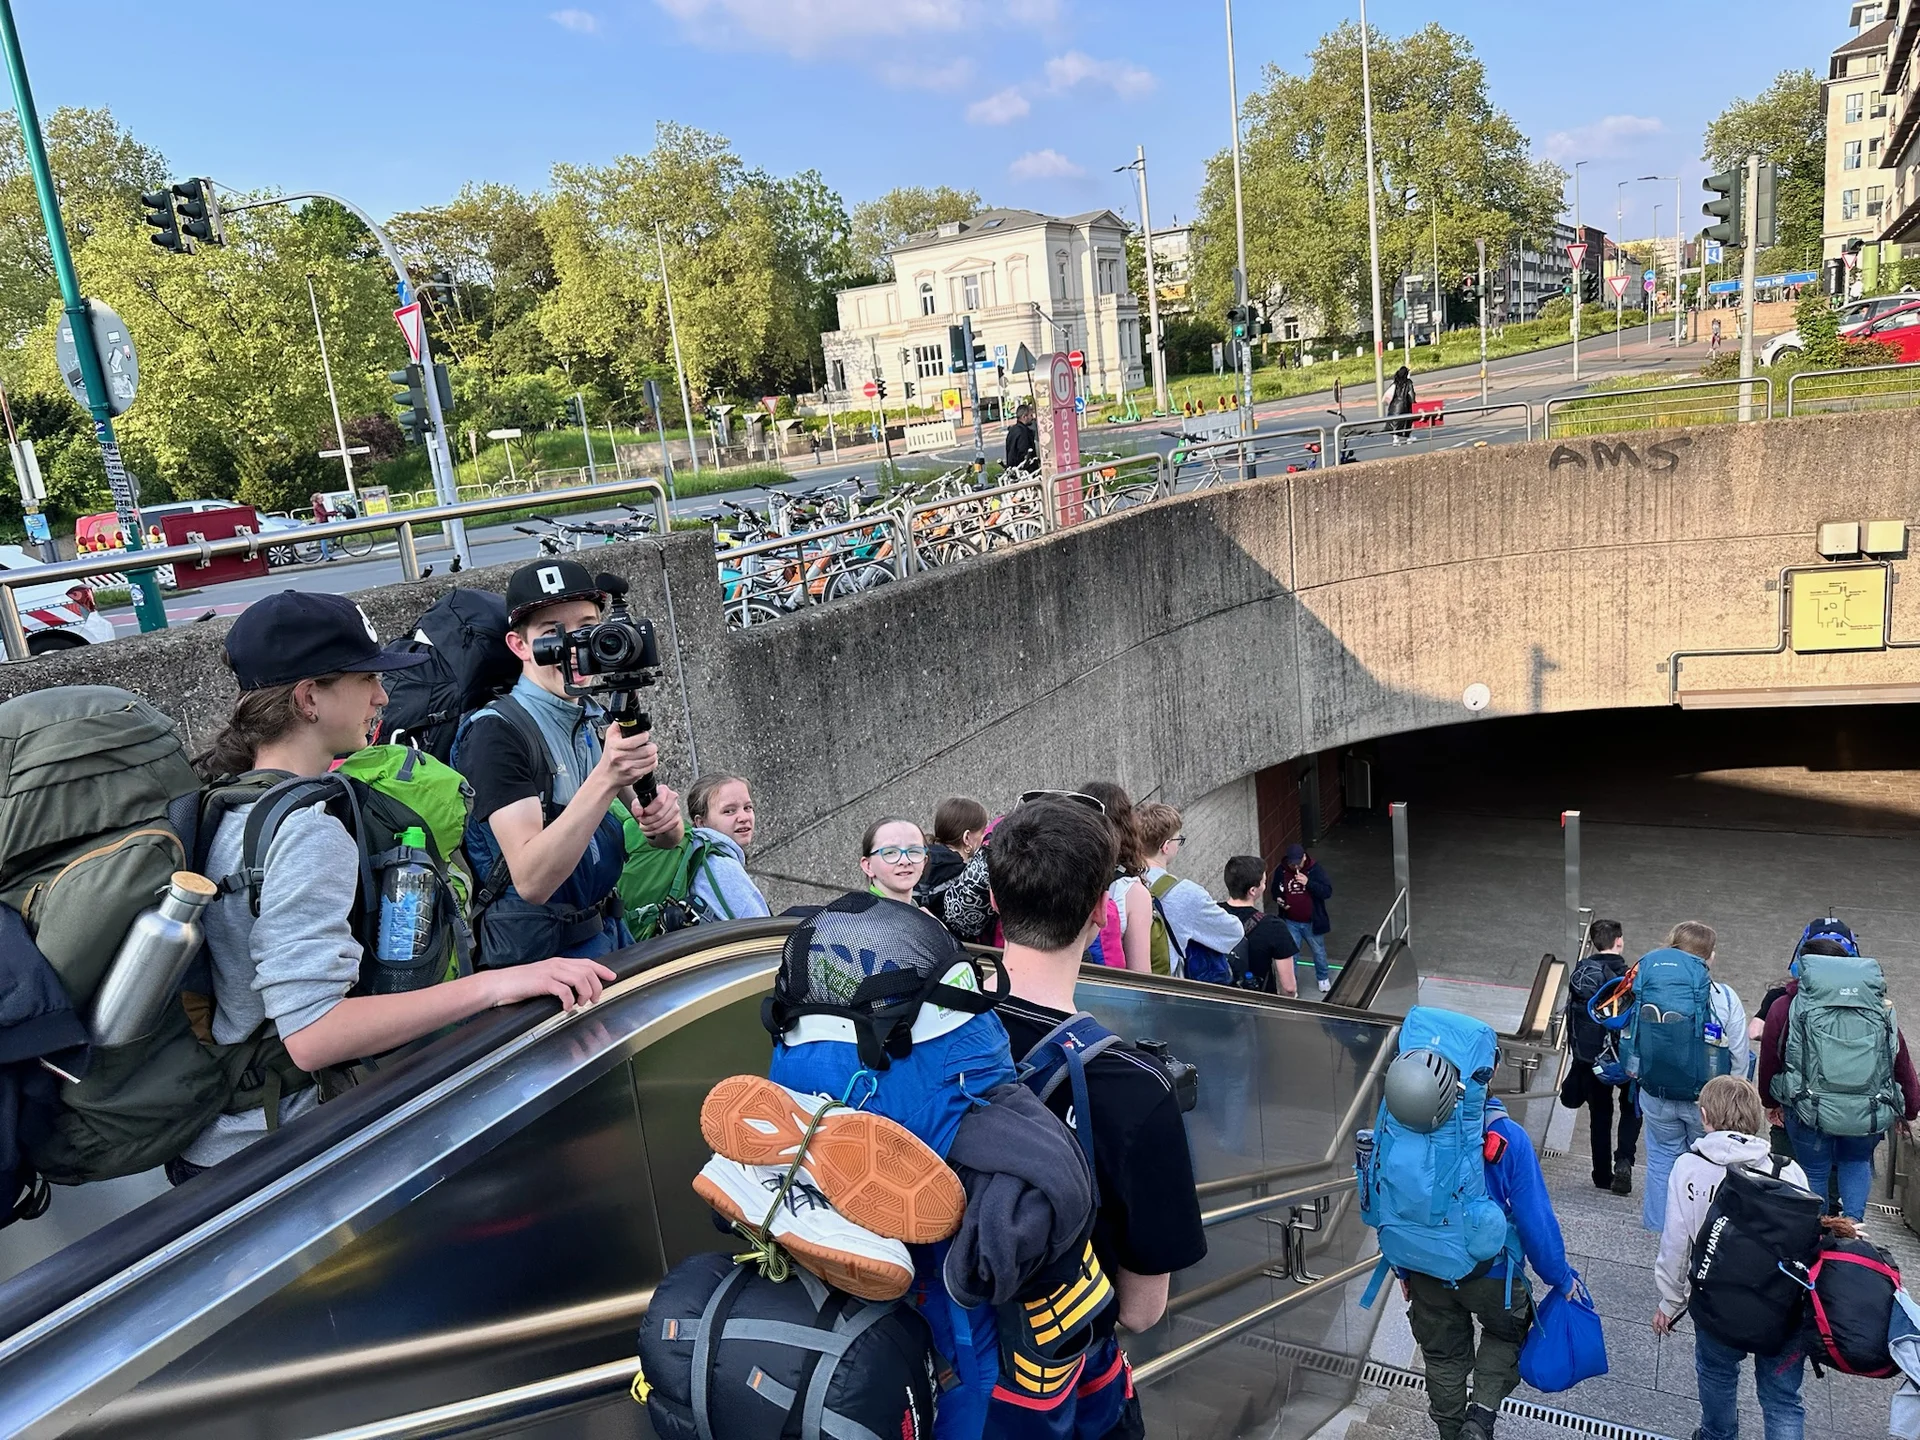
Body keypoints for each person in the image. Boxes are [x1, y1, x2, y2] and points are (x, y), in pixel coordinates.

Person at [180, 592, 614, 1175]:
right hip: (287, 1153)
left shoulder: (225, 800)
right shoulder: (308, 829)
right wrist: (500, 984)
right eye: (366, 680)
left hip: (232, 1137)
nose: (383, 697)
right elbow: (313, 1032)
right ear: (309, 698)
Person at [988, 796, 1208, 1439]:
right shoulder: (1136, 1087)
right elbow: (1141, 1312)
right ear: (1097, 915)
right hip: (1054, 1388)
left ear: (998, 905)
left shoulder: (924, 1036)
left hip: (940, 1371)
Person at [452, 559, 684, 969]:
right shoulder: (496, 733)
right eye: (551, 634)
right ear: (519, 645)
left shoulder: (595, 717)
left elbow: (663, 838)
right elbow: (532, 880)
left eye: (586, 627)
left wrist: (665, 819)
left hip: (606, 938)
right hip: (539, 965)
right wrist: (608, 776)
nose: (575, 646)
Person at [1376, 1020, 1574, 1440]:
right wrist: (1560, 1277)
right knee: (1506, 1334)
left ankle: (1450, 1431)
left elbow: (1386, 1203)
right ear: (1488, 1070)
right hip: (1492, 1274)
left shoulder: (1395, 1129)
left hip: (1425, 1267)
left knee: (1442, 1356)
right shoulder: (1506, 1137)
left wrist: (1403, 1270)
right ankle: (1481, 1417)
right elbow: (1536, 1220)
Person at [1651, 1076, 1811, 1440]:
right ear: (1755, 1117)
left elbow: (1676, 1244)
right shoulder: (1788, 1171)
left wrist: (1670, 1300)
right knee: (1782, 1399)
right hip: (1781, 1305)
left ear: (1705, 1116)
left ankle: (1717, 1435)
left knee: (1718, 1373)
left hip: (1717, 1301)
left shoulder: (1688, 1167)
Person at [1758, 937, 1920, 1221]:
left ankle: (1817, 1232)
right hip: (1866, 1112)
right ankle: (1853, 1231)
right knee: (1856, 1162)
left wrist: (1771, 1101)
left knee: (1815, 1170)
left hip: (1809, 1111)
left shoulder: (1785, 1006)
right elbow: (1899, 1060)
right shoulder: (1879, 1008)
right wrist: (1909, 1109)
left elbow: (1771, 1058)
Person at [1636, 921, 1749, 1234]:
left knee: (1661, 1159)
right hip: (1708, 1100)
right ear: (1709, 957)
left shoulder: (1648, 989)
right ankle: (1701, 1230)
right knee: (1708, 1166)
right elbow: (1739, 1054)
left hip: (1656, 1093)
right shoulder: (1724, 998)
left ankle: (1658, 1229)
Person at [1564, 919, 1640, 1195]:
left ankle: (1601, 1174)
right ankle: (1624, 1161)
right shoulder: (1629, 976)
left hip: (1592, 1058)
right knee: (1631, 1108)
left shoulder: (1582, 973)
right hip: (1625, 1057)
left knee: (1600, 1114)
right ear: (1619, 941)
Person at [1134, 802, 1252, 969]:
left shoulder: (1120, 882)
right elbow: (1233, 932)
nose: (1179, 843)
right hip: (1164, 987)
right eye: (1178, 839)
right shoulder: (1185, 893)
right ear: (1166, 846)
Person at [1081, 781, 1153, 974]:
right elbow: (1141, 975)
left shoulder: (1057, 873)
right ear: (1126, 825)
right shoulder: (1132, 892)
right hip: (1104, 998)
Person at [1220, 855, 1299, 996]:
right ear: (1252, 891)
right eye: (1263, 882)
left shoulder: (1210, 914)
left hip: (1217, 1000)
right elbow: (1289, 987)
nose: (1264, 885)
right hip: (1256, 1006)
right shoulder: (1274, 927)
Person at [1267, 844, 1333, 993]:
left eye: (1298, 862)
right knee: (1292, 954)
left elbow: (1327, 891)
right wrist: (1280, 900)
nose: (1295, 866)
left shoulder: (1315, 869)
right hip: (1291, 921)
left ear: (1304, 857)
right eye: (1292, 863)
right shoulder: (1282, 870)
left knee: (1318, 951)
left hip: (1312, 921)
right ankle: (1292, 985)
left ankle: (1323, 978)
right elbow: (1275, 891)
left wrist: (1308, 883)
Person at [919, 795, 988, 921]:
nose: (984, 837)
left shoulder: (921, 859)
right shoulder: (964, 875)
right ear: (967, 838)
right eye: (982, 832)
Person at [859, 815, 927, 906]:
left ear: (924, 861)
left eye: (914, 851)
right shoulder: (861, 918)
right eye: (890, 852)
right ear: (868, 866)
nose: (905, 860)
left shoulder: (915, 909)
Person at [1004, 402, 1037, 474]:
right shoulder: (1023, 433)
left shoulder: (1013, 430)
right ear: (1024, 417)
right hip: (1023, 472)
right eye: (1031, 415)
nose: (1032, 418)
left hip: (1013, 470)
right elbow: (1024, 453)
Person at [1386, 364, 1416, 444]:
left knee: (1395, 423)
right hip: (1404, 405)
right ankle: (1409, 438)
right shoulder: (1408, 382)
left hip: (1393, 406)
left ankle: (1395, 439)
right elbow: (1411, 395)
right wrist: (1413, 403)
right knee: (1407, 422)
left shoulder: (1395, 382)